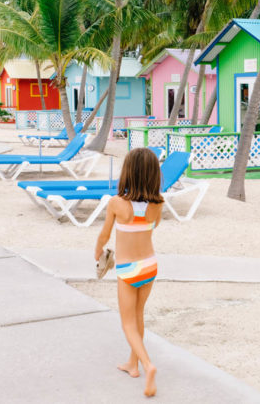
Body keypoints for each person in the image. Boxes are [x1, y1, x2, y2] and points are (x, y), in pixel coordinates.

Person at [94, 148, 164, 397]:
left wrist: (98, 251)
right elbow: (152, 228)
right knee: (138, 315)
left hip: (128, 268)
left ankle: (147, 364)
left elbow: (104, 234)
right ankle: (132, 364)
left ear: (127, 173)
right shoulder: (159, 203)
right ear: (154, 175)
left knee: (127, 322)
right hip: (150, 265)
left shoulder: (116, 203)